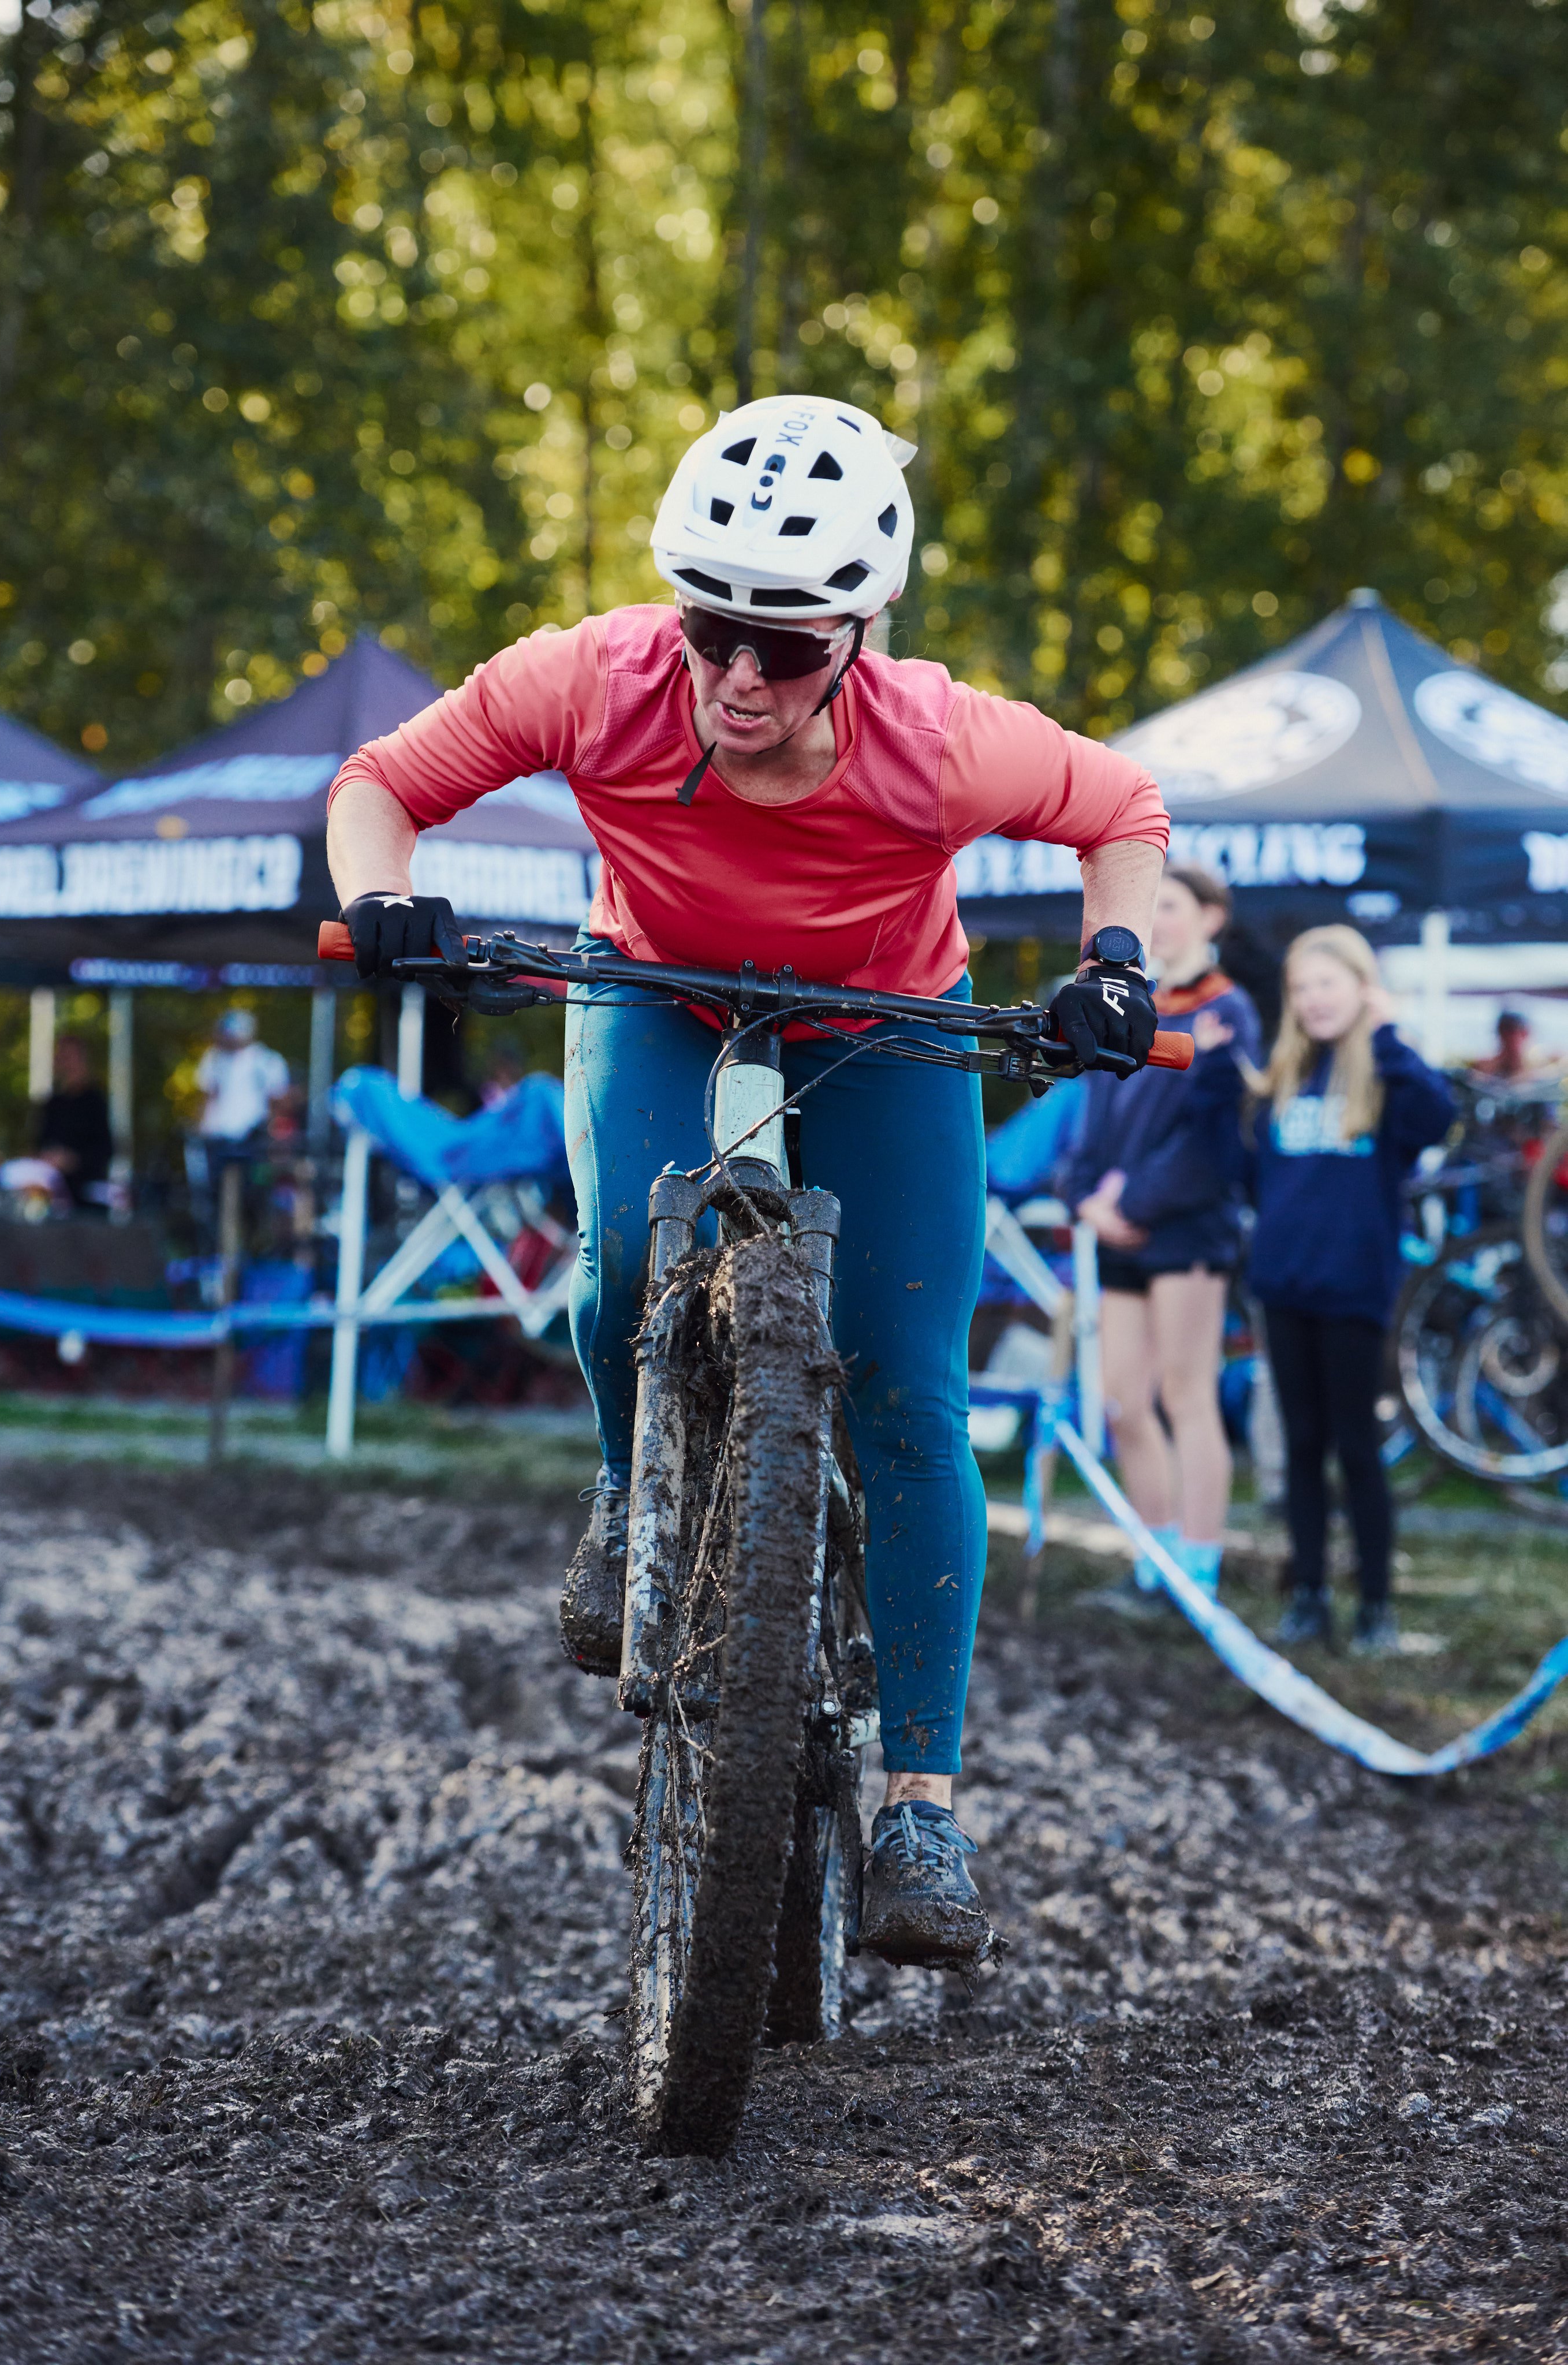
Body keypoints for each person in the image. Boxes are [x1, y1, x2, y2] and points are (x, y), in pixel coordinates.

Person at [324, 393, 1168, 1968]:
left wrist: (1116, 964)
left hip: (889, 1017)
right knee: (621, 1265)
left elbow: (1120, 809)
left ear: (858, 634)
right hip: (655, 986)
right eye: (710, 629)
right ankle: (625, 1486)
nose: (735, 677)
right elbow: (380, 785)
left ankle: (920, 1807)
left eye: (780, 647)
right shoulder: (594, 679)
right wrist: (381, 898)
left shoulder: (938, 743)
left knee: (911, 1385)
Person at [1224, 925, 1453, 1655]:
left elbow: (1438, 1118)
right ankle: (1308, 1596)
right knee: (1301, 1445)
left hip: (1354, 1290)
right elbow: (1250, 1175)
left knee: (1356, 1446)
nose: (1314, 999)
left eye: (1328, 983)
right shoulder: (1282, 1076)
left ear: (1363, 988)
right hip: (1282, 1286)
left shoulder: (1385, 1075)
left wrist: (1386, 1035)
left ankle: (1375, 1606)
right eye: (1302, 987)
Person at [1062, 864, 1260, 1603]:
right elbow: (1093, 1114)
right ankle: (1157, 1559)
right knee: (1123, 1401)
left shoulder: (1229, 1010)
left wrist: (1135, 1201)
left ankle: (1198, 1571)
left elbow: (1213, 1141)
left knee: (1187, 1394)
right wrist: (1086, 1199)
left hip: (1186, 1232)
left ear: (1211, 917)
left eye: (1171, 906)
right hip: (1116, 1231)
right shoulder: (1131, 1000)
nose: (1160, 920)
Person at [34, 1034, 113, 1216]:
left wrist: (72, 1160)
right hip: (51, 1198)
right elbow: (39, 1144)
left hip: (87, 1199)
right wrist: (47, 1158)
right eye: (62, 1057)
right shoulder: (52, 1104)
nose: (67, 1063)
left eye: (71, 1057)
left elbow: (106, 1149)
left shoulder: (95, 1102)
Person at [195, 1008, 290, 1144]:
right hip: (217, 1135)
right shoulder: (213, 1058)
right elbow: (208, 1095)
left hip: (254, 1136)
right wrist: (203, 1126)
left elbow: (277, 1100)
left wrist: (271, 1133)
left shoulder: (268, 1060)